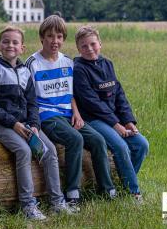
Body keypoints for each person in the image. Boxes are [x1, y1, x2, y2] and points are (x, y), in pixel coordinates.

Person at [0, 26, 75, 221]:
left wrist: (34, 125)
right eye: (6, 42)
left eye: (15, 42)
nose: (10, 45)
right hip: (1, 125)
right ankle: (28, 205)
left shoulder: (25, 72)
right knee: (24, 150)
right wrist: (14, 124)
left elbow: (32, 103)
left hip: (25, 125)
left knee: (49, 151)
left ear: (22, 48)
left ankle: (57, 202)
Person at [25, 15, 116, 206]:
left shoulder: (68, 62)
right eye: (50, 36)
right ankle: (73, 193)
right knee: (75, 139)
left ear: (63, 39)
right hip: (47, 115)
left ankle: (107, 189)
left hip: (68, 113)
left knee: (98, 140)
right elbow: (29, 98)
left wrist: (76, 113)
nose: (55, 41)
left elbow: (71, 93)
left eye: (59, 37)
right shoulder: (33, 63)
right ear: (42, 38)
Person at [73, 25, 149, 202]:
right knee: (121, 146)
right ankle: (134, 193)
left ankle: (124, 184)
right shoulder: (79, 69)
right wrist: (116, 125)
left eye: (93, 44)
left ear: (100, 43)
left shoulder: (107, 64)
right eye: (84, 46)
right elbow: (92, 103)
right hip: (93, 119)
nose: (89, 49)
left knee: (141, 144)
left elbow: (119, 95)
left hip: (115, 119)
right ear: (78, 48)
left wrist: (129, 121)